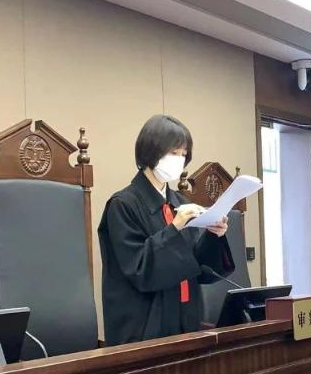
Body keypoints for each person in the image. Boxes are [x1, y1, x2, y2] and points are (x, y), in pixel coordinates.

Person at [98, 115, 235, 345]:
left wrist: (214, 235)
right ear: (151, 151)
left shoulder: (179, 202)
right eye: (173, 153)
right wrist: (175, 228)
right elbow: (139, 268)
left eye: (183, 154)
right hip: (142, 328)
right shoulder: (122, 205)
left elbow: (198, 267)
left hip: (185, 322)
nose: (179, 160)